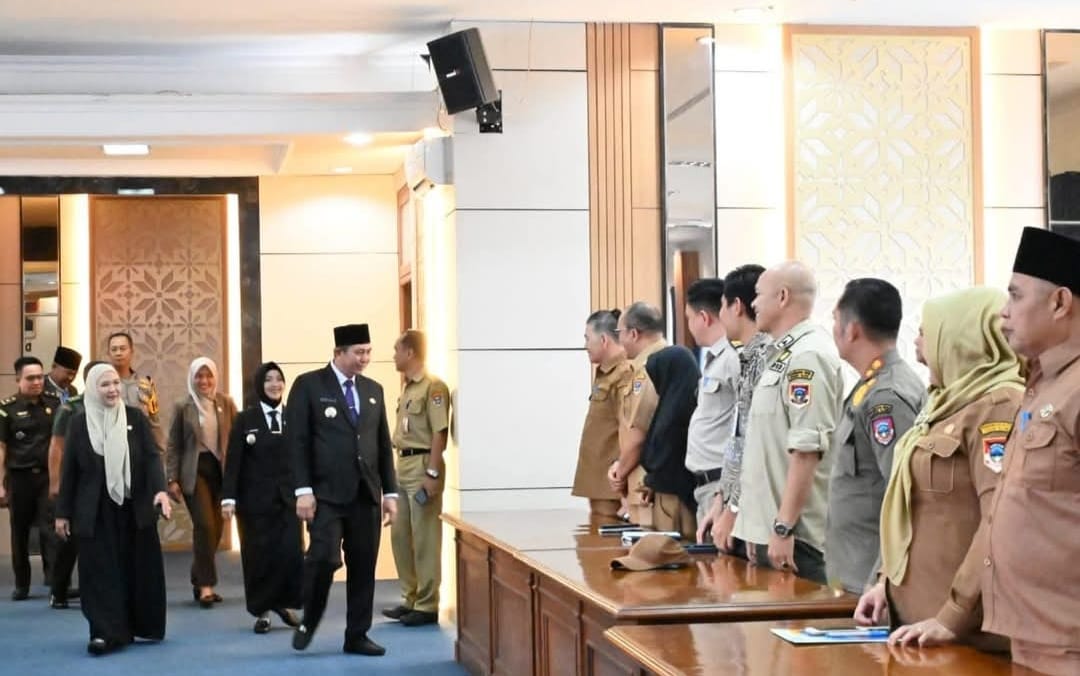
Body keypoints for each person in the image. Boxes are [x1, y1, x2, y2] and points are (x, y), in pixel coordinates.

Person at [853, 287, 1022, 653]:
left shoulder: (998, 405)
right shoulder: (943, 404)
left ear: (960, 337)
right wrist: (886, 582)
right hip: (917, 626)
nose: (916, 343)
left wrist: (953, 616)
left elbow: (997, 521)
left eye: (926, 332)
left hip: (964, 635)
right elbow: (913, 512)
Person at [982, 227, 1080, 675]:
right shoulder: (1040, 385)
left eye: (1016, 296)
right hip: (1029, 640)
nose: (1003, 312)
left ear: (1060, 302)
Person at [288, 323, 398, 656]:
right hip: (325, 495)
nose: (364, 358)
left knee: (363, 566)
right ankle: (310, 618)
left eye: (368, 352)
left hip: (366, 494)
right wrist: (302, 489)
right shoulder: (309, 385)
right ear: (338, 352)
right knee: (322, 558)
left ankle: (357, 635)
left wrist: (390, 494)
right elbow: (296, 442)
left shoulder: (373, 389)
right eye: (358, 352)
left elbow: (382, 444)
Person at [733, 261, 843, 584]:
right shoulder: (781, 355)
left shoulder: (807, 356)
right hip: (768, 532)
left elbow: (807, 451)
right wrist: (752, 524)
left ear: (782, 297)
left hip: (795, 541)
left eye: (758, 295)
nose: (753, 303)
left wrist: (783, 526)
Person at [54, 363, 172, 656]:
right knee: (99, 572)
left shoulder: (135, 418)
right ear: (93, 389)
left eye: (116, 383)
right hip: (94, 510)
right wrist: (62, 512)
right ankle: (104, 632)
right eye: (105, 385)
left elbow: (151, 458)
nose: (112, 390)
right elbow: (70, 471)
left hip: (132, 507)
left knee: (133, 568)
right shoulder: (79, 423)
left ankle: (131, 626)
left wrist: (160, 490)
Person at [827, 279, 925, 594]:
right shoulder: (871, 385)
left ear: (852, 330)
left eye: (835, 320)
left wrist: (882, 577)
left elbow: (905, 493)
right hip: (851, 567)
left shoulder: (887, 397)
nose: (833, 329)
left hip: (868, 578)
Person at [221, 362, 302, 634]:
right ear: (259, 385)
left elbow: (303, 459)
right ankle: (263, 612)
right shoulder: (245, 419)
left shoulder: (294, 417)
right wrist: (228, 498)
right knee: (259, 558)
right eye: (268, 379)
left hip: (288, 502)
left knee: (288, 554)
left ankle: (283, 605)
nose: (275, 384)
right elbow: (234, 462)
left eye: (279, 379)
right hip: (254, 504)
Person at [701, 264, 769, 557]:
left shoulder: (767, 358)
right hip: (732, 505)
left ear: (737, 306)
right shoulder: (746, 356)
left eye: (722, 307)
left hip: (753, 513)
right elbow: (736, 441)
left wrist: (734, 509)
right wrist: (721, 498)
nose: (720, 315)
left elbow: (756, 445)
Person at [384, 330, 450, 627]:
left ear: (410, 352)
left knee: (425, 538)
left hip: (423, 465)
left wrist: (432, 473)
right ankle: (409, 597)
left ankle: (427, 604)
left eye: (396, 350)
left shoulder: (433, 387)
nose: (393, 355)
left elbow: (439, 432)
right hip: (403, 465)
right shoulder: (408, 388)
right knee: (400, 536)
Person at [165, 357, 237, 608]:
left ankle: (198, 577)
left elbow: (236, 439)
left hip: (221, 471)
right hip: (194, 472)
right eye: (199, 376)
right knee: (204, 526)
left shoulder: (226, 403)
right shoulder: (182, 406)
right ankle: (206, 586)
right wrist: (172, 478)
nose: (204, 381)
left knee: (216, 529)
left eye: (208, 376)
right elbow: (173, 445)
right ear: (192, 378)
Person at [47, 359, 107, 609]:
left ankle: (94, 589)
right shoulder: (71, 408)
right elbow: (57, 447)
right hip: (75, 482)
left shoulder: (113, 407)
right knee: (69, 540)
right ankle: (58, 590)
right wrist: (55, 482)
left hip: (102, 482)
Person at [0, 356, 60, 600]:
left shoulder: (54, 403)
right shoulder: (6, 409)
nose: (37, 382)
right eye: (30, 378)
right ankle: (22, 584)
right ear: (18, 379)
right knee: (20, 531)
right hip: (19, 477)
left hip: (47, 477)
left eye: (40, 377)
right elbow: (1, 448)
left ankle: (56, 583)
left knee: (51, 530)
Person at [682, 279, 740, 526]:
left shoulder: (733, 357)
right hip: (706, 486)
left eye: (689, 318)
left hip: (722, 484)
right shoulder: (714, 358)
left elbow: (745, 425)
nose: (689, 326)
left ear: (704, 317)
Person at [608, 302, 667, 526]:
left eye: (619, 333)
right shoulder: (653, 363)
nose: (619, 339)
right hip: (639, 479)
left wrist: (619, 472)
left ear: (633, 334)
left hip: (646, 485)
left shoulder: (650, 368)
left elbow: (639, 434)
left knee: (648, 545)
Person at [572, 309, 633, 517]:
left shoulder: (624, 373)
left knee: (609, 537)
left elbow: (630, 430)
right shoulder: (606, 373)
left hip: (613, 488)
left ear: (604, 339)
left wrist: (623, 484)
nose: (585, 345)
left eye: (587, 338)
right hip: (600, 485)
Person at [639, 345, 700, 539]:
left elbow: (667, 458)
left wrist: (653, 480)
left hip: (677, 501)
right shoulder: (672, 404)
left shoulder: (678, 414)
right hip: (667, 495)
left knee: (674, 549)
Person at [105, 332, 165, 454]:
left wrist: (160, 449)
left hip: (139, 446)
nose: (118, 353)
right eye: (114, 349)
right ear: (108, 354)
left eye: (122, 348)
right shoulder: (103, 384)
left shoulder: (145, 384)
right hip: (110, 446)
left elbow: (154, 419)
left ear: (132, 352)